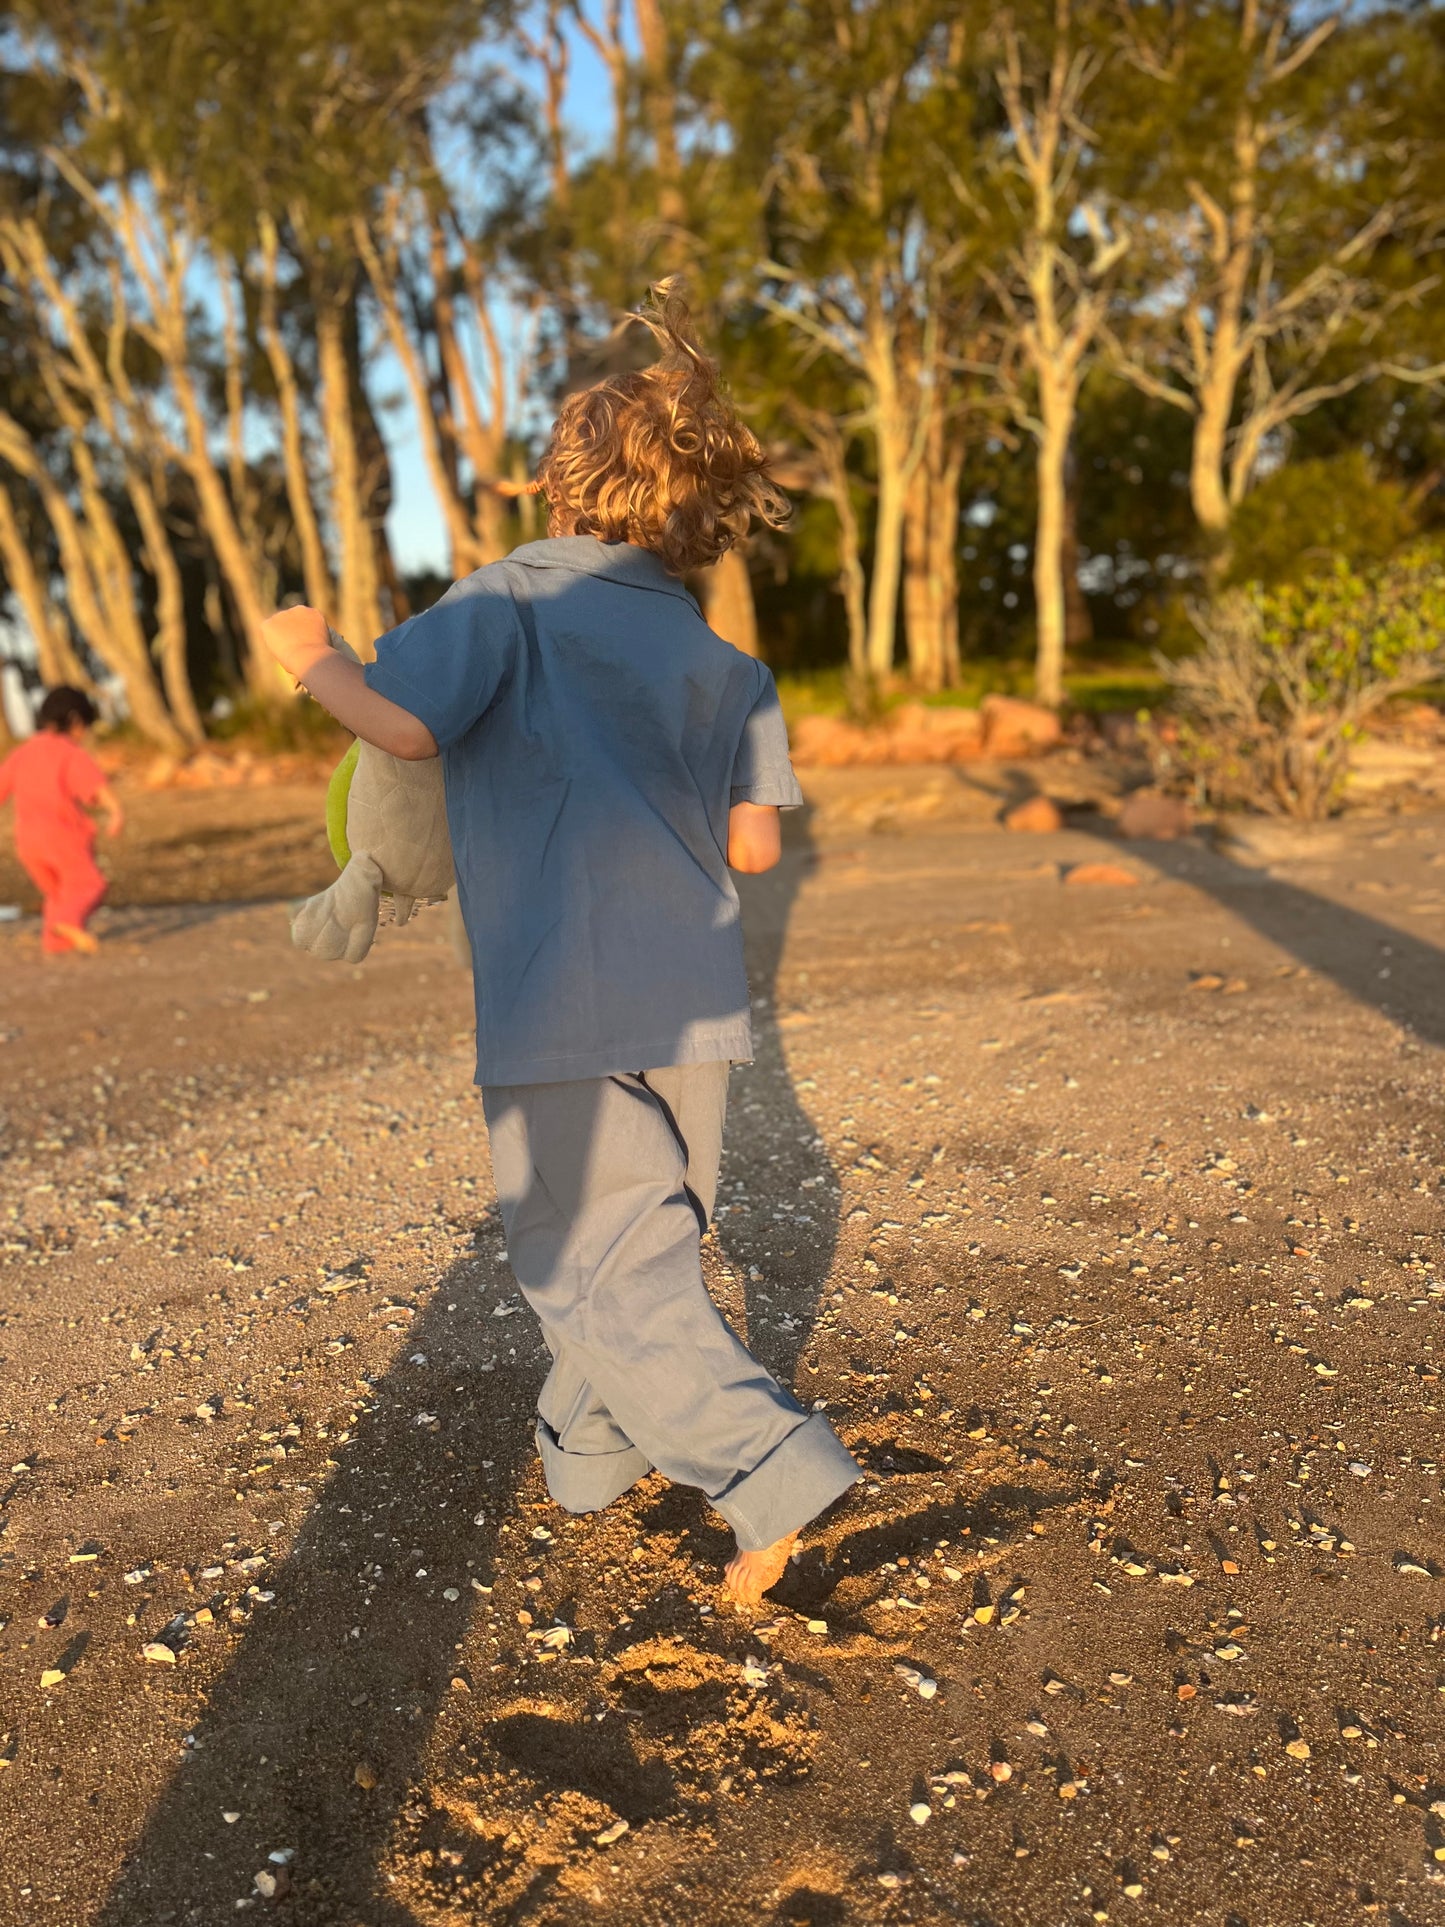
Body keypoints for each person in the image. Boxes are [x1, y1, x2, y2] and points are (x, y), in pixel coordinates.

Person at [262, 279, 860, 1606]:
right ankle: (586, 1457)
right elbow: (758, 846)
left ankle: (774, 1474)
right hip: (696, 989)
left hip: (558, 988)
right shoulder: (720, 656)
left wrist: (311, 660)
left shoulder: (503, 603)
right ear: (688, 510)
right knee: (641, 1244)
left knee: (584, 1254)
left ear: (556, 486)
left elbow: (406, 729)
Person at [0, 685, 123, 956]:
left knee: (59, 894)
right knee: (90, 883)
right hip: (63, 836)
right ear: (76, 721)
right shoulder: (70, 753)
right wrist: (115, 811)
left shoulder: (22, 753)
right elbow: (95, 787)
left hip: (27, 841)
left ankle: (56, 943)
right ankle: (66, 923)